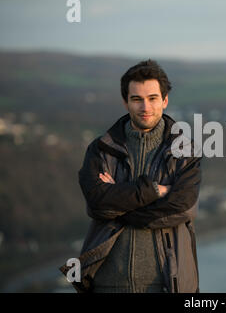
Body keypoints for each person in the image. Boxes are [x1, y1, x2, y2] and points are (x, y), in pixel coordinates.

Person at [59, 59, 202, 293]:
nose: (145, 107)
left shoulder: (186, 152)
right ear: (126, 102)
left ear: (164, 101)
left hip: (165, 285)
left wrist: (120, 204)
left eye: (152, 98)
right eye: (137, 99)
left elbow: (181, 208)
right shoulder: (101, 149)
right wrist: (155, 191)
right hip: (107, 284)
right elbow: (98, 205)